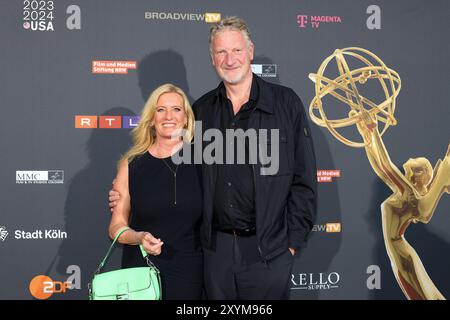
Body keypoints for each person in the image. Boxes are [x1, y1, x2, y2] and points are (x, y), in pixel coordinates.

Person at [110, 16, 317, 300]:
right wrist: (127, 189)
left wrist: (291, 244)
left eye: (236, 50)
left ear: (250, 52)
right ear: (212, 58)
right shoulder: (202, 111)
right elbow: (175, 167)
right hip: (215, 253)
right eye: (221, 52)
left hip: (268, 250)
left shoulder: (285, 103)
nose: (229, 59)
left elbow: (304, 179)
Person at [108, 83, 203, 300]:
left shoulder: (204, 162)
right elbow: (116, 228)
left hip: (190, 274)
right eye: (161, 110)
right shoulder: (131, 164)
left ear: (187, 118)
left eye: (177, 109)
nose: (169, 116)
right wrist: (139, 237)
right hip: (141, 275)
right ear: (151, 119)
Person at [355, 109, 450, 300]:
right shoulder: (403, 193)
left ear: (421, 174)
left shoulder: (409, 195)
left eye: (418, 163)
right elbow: (380, 167)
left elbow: (387, 166)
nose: (412, 159)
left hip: (403, 257)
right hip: (402, 255)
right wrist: (367, 137)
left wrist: (373, 130)